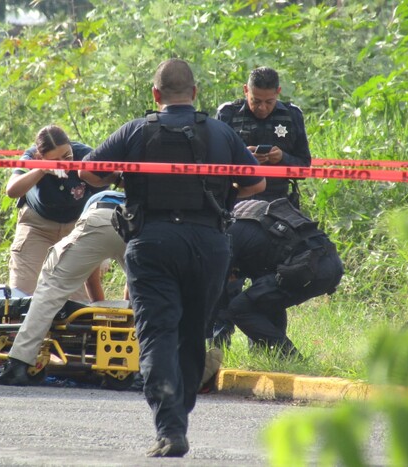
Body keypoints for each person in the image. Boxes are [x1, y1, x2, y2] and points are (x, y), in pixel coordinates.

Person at [79, 59, 265, 458]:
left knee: (157, 333)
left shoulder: (135, 130)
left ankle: (170, 428)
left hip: (153, 242)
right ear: (195, 93)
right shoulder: (221, 131)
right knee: (192, 333)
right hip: (209, 243)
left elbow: (88, 173)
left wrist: (121, 176)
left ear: (156, 95)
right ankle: (179, 416)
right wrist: (221, 198)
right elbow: (257, 182)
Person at [0, 190, 127, 386]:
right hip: (143, 222)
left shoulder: (94, 203)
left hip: (102, 217)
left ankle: (19, 363)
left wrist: (96, 308)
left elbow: (90, 276)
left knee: (51, 287)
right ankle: (143, 366)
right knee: (148, 295)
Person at [211, 198, 344, 358]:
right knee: (266, 298)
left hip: (308, 268)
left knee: (239, 308)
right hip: (330, 263)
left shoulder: (229, 233)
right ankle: (275, 358)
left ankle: (290, 357)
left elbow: (215, 285)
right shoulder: (252, 219)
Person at [5, 125, 104, 301]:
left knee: (78, 303)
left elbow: (103, 199)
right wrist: (41, 169)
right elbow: (12, 190)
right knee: (21, 295)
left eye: (67, 156)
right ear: (39, 156)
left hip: (76, 228)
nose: (64, 163)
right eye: (56, 160)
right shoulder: (31, 157)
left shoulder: (85, 155)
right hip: (37, 226)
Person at [216, 66, 311, 207]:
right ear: (245, 90)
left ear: (278, 92)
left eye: (269, 102)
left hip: (278, 201)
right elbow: (214, 166)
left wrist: (282, 158)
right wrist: (243, 158)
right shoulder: (228, 113)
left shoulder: (292, 115)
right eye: (256, 101)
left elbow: (304, 168)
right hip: (237, 199)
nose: (262, 108)